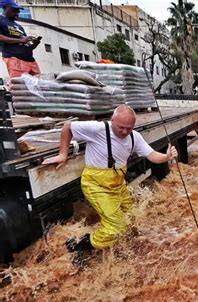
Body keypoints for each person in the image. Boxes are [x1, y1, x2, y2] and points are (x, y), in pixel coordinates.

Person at [42, 105, 178, 253]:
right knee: (116, 226)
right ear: (112, 120)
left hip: (117, 184)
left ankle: (122, 247)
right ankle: (78, 245)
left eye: (129, 128)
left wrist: (166, 156)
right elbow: (68, 127)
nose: (125, 132)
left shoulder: (134, 137)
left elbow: (152, 155)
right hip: (96, 185)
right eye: (121, 127)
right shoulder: (98, 129)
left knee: (132, 217)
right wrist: (63, 154)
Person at [0, 0, 41, 80]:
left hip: (30, 61)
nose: (17, 12)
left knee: (36, 87)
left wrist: (34, 44)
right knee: (20, 86)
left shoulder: (18, 26)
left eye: (18, 11)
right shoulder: (0, 20)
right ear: (5, 7)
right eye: (14, 10)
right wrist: (21, 40)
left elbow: (26, 44)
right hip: (16, 60)